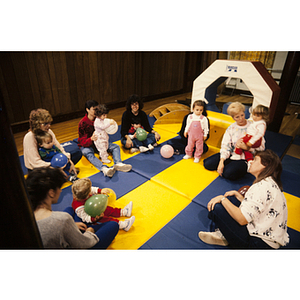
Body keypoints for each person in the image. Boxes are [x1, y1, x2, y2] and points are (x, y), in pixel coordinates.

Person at [198, 149, 289, 249]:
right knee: (233, 199)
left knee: (217, 208)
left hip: (256, 244)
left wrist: (222, 199)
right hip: (268, 240)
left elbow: (242, 220)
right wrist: (240, 198)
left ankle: (224, 235)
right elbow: (260, 210)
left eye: (255, 160)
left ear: (265, 165)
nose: (251, 162)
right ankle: (226, 234)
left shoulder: (260, 187)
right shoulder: (271, 184)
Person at [26, 167, 119, 249]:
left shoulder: (27, 216)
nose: (61, 190)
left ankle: (80, 227)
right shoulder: (63, 219)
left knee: (70, 209)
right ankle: (91, 227)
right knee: (113, 225)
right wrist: (90, 232)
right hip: (79, 245)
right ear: (51, 193)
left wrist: (73, 225)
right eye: (59, 187)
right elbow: (84, 244)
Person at [203, 102, 265, 181]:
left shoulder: (254, 127)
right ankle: (230, 164)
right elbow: (225, 145)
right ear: (233, 118)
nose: (241, 119)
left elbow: (261, 147)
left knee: (228, 173)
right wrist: (222, 161)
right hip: (232, 154)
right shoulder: (231, 128)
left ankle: (239, 167)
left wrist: (247, 148)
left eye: (242, 115)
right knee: (208, 164)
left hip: (245, 158)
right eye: (237, 117)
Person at [78, 100, 132, 178]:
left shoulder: (100, 118)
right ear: (87, 109)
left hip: (99, 142)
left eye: (97, 109)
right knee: (87, 153)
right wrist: (91, 139)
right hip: (88, 144)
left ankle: (118, 163)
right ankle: (104, 169)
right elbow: (82, 141)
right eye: (94, 109)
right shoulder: (83, 122)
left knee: (115, 147)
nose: (96, 111)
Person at [23, 108, 82, 174]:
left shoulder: (49, 131)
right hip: (41, 167)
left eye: (49, 123)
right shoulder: (30, 137)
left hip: (54, 160)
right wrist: (55, 168)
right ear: (37, 124)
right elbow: (35, 162)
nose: (49, 125)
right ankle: (61, 173)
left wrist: (70, 162)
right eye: (45, 124)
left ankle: (63, 171)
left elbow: (60, 149)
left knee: (77, 153)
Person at [71, 178, 135, 231]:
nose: (91, 190)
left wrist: (100, 191)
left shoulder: (83, 193)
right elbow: (85, 218)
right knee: (105, 219)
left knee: (107, 209)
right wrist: (95, 219)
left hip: (94, 207)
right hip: (92, 216)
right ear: (87, 194)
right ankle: (123, 225)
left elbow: (92, 189)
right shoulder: (79, 207)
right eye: (90, 190)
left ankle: (123, 212)